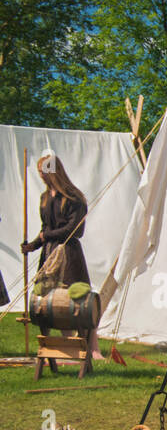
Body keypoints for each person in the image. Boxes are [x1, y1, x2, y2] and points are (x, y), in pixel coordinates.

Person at [21, 150, 102, 357]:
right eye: (39, 172)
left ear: (53, 172)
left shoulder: (74, 198)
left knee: (80, 301)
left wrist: (46, 235)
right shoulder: (45, 198)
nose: (41, 175)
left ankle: (93, 348)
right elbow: (45, 229)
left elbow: (75, 230)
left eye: (43, 171)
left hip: (69, 255)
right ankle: (68, 347)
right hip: (49, 255)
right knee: (54, 301)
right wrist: (32, 245)